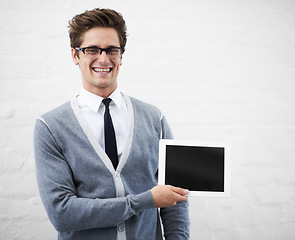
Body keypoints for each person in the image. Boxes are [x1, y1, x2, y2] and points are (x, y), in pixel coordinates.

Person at [34, 8, 190, 240]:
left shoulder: (153, 118)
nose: (103, 59)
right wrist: (146, 201)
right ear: (75, 55)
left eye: (112, 50)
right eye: (92, 50)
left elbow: (176, 196)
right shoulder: (50, 126)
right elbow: (62, 213)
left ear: (121, 55)